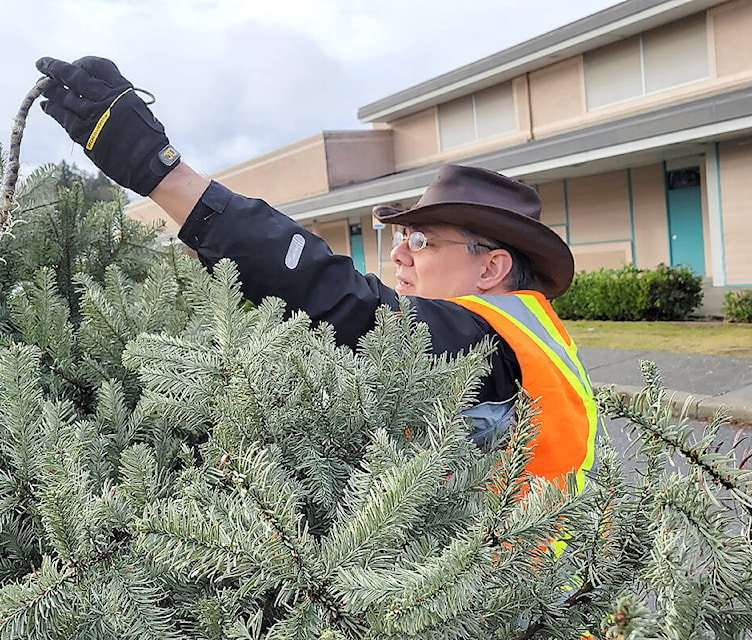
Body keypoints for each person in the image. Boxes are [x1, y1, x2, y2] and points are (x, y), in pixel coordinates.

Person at [34, 55, 597, 490]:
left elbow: (343, 302)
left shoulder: (491, 338)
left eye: (421, 241)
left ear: (491, 267)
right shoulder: (534, 339)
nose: (400, 255)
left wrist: (165, 174)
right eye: (400, 238)